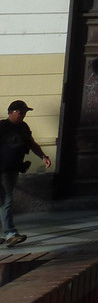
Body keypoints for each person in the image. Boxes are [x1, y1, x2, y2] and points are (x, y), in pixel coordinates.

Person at [0, 100, 52, 246]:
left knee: (3, 201)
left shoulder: (23, 127)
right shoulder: (2, 126)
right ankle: (10, 234)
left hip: (13, 169)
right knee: (7, 200)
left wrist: (43, 156)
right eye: (20, 112)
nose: (23, 115)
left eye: (25, 112)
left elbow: (32, 143)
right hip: (1, 169)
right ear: (10, 112)